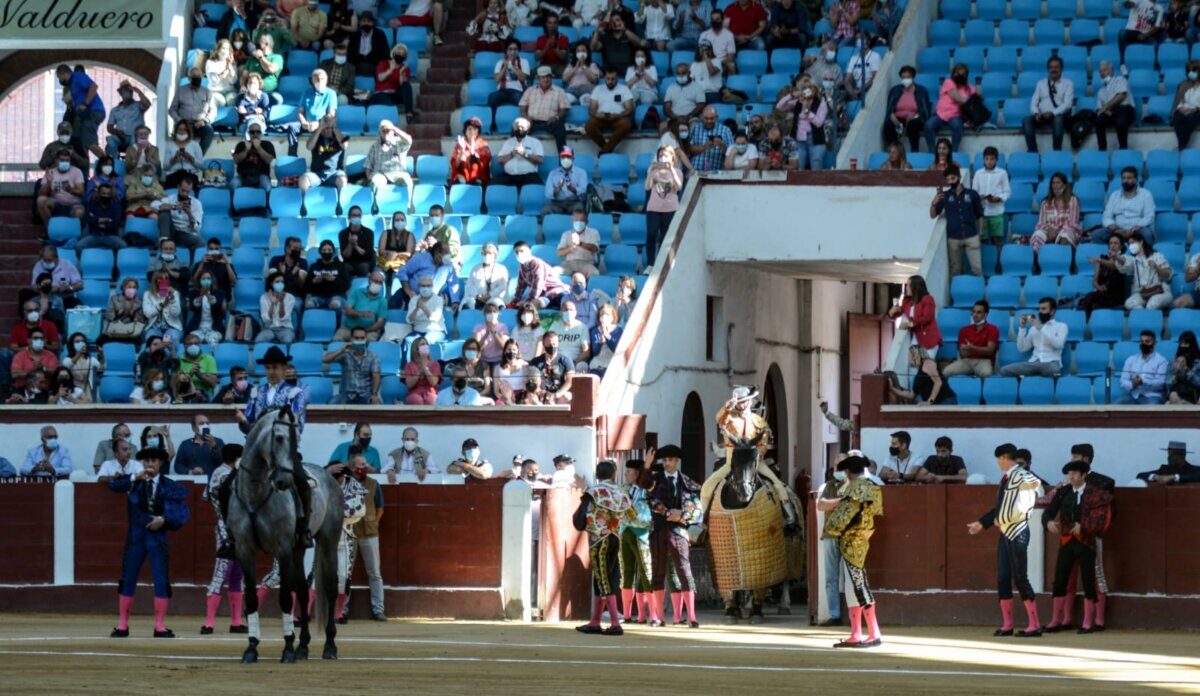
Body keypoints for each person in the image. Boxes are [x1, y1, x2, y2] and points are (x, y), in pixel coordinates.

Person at [218, 346, 311, 559]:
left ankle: (303, 529)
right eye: (268, 368)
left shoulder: (295, 393)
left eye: (275, 367)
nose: (271, 372)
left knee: (301, 481)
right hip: (256, 454)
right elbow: (249, 426)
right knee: (224, 488)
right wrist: (243, 422)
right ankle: (231, 536)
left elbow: (297, 426)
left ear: (284, 368)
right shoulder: (255, 392)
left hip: (283, 451)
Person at [108, 446, 189, 639]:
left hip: (157, 537)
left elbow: (182, 513)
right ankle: (122, 625)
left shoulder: (169, 485)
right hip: (136, 536)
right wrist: (134, 476)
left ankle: (159, 626)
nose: (150, 464)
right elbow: (113, 485)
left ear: (160, 463)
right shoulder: (134, 482)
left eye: (153, 460)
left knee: (160, 578)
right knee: (128, 577)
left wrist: (164, 520)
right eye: (147, 461)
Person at [967, 443, 1044, 637]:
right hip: (1006, 532)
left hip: (1018, 531)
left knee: (1020, 577)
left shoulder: (1021, 475)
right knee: (1003, 578)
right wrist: (982, 523)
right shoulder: (1008, 477)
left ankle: (1035, 625)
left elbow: (1038, 489)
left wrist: (1008, 517)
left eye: (999, 460)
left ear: (1003, 458)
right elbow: (1000, 507)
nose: (998, 463)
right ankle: (1007, 625)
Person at [1042, 459, 1114, 634]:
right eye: (1069, 473)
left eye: (1075, 473)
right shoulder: (1063, 492)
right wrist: (1048, 522)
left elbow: (1102, 517)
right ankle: (1055, 620)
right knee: (1060, 580)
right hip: (1067, 541)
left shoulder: (1095, 493)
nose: (1071, 476)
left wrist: (1084, 526)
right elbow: (1048, 512)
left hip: (1087, 541)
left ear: (1084, 475)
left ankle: (1087, 622)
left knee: (1088, 581)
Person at [823, 455, 883, 648]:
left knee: (859, 585)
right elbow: (876, 511)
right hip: (861, 538)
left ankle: (873, 633)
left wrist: (832, 528)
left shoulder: (855, 489)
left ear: (848, 471)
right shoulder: (872, 486)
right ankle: (857, 633)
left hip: (852, 540)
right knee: (856, 585)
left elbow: (844, 515)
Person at [573, 459, 633, 636]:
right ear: (614, 474)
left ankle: (615, 624)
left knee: (604, 580)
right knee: (603, 578)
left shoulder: (592, 493)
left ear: (597, 475)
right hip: (615, 538)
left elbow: (579, 519)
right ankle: (595, 622)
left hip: (599, 540)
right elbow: (632, 515)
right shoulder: (622, 492)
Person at [647, 445, 702, 628]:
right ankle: (660, 617)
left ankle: (692, 617)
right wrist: (647, 464)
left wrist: (682, 515)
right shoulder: (654, 480)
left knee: (684, 571)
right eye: (664, 460)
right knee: (658, 571)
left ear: (677, 461)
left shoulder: (687, 482)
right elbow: (647, 494)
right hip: (658, 530)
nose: (667, 463)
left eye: (670, 460)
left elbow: (698, 506)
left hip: (678, 530)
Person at [201, 443, 248, 635]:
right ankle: (209, 623)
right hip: (227, 529)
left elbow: (205, 496)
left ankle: (236, 622)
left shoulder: (218, 473)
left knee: (236, 575)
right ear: (237, 459)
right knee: (221, 573)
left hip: (234, 528)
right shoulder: (227, 475)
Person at [339, 453, 387, 621]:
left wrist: (374, 523)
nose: (364, 467)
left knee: (374, 572)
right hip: (348, 533)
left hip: (369, 533)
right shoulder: (343, 483)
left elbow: (380, 508)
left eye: (365, 464)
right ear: (352, 467)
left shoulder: (373, 484)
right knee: (345, 574)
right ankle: (342, 610)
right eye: (361, 464)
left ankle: (378, 609)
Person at [930, 165, 984, 276]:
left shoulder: (972, 194)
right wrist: (933, 203)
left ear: (959, 177)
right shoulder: (945, 196)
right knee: (955, 271)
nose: (950, 182)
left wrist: (979, 233)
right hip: (953, 238)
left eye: (953, 178)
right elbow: (933, 215)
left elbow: (980, 215)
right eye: (948, 179)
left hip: (971, 236)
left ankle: (980, 287)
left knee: (977, 269)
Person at [998, 298, 1068, 377]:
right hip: (1034, 363)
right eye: (1039, 309)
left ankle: (1032, 377)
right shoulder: (1033, 328)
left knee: (1054, 371)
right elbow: (1022, 348)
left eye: (1043, 309)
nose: (1040, 312)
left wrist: (1041, 328)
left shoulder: (1061, 326)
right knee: (1004, 370)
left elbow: (1058, 345)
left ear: (1052, 311)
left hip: (1051, 363)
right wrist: (1022, 328)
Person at [1106, 232, 1173, 310]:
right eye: (1129, 244)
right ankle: (1143, 313)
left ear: (1141, 242)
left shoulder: (1157, 256)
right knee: (1129, 304)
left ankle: (1147, 312)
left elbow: (1167, 275)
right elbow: (1125, 261)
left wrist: (1156, 267)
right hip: (1142, 293)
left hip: (1160, 292)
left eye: (1133, 243)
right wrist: (1116, 256)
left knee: (1152, 305)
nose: (1131, 246)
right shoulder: (1134, 260)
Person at [1022, 57, 1074, 153]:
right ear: (1048, 69)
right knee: (1026, 120)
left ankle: (1056, 152)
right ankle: (1033, 152)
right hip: (1042, 116)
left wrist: (1053, 113)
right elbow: (1033, 102)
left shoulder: (1068, 83)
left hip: (1059, 116)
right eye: (1051, 67)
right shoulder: (1041, 83)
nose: (1053, 70)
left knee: (1058, 120)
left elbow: (1068, 104)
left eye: (1056, 67)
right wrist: (1036, 113)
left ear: (1061, 68)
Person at [56, 64, 106, 160]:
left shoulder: (78, 76)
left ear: (63, 74)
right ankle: (102, 161)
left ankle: (107, 161)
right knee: (82, 141)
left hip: (93, 112)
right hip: (87, 115)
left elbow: (93, 86)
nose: (60, 80)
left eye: (59, 77)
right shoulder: (71, 84)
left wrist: (85, 104)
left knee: (89, 142)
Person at [645, 146, 684, 267]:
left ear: (672, 157)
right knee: (651, 233)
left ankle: (662, 264)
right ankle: (650, 264)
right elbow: (647, 187)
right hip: (654, 208)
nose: (663, 158)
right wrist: (651, 171)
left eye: (666, 155)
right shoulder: (654, 171)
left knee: (665, 237)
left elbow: (679, 187)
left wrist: (672, 170)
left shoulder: (677, 172)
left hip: (670, 209)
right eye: (661, 156)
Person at [776, 81, 828, 171]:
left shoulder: (821, 104)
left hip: (816, 140)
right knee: (798, 168)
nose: (808, 90)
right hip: (799, 140)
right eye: (805, 88)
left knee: (816, 168)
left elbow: (819, 123)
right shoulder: (797, 102)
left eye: (811, 88)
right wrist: (791, 95)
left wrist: (807, 110)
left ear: (815, 90)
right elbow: (779, 107)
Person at [1098, 166, 1157, 243]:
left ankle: (1143, 251)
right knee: (1097, 235)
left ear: (1136, 180)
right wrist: (1116, 229)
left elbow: (1149, 217)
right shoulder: (1114, 195)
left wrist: (1133, 229)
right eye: (1123, 178)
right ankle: (1111, 250)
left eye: (1129, 178)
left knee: (1147, 234)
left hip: (1137, 230)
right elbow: (1106, 216)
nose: (1125, 181)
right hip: (1117, 231)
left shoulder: (1146, 195)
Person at [324, 328, 383, 405]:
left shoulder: (373, 356)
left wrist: (374, 394)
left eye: (362, 338)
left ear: (366, 339)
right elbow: (325, 359)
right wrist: (341, 350)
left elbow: (376, 375)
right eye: (356, 338)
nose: (359, 340)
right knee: (332, 403)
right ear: (351, 339)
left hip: (365, 394)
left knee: (377, 403)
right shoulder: (345, 354)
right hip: (347, 394)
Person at [924, 64, 975, 153]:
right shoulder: (948, 82)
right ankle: (932, 152)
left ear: (966, 76)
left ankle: (953, 152)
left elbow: (978, 97)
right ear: (953, 74)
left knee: (957, 126)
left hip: (956, 116)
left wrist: (976, 94)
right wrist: (968, 101)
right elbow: (957, 97)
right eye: (957, 73)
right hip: (941, 115)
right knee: (929, 125)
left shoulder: (968, 87)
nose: (960, 76)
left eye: (962, 74)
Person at [584, 68, 635, 154]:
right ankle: (607, 149)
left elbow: (629, 109)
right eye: (608, 79)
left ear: (617, 78)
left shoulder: (624, 89)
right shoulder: (598, 89)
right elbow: (591, 108)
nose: (610, 81)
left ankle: (605, 150)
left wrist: (618, 115)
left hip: (618, 117)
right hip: (601, 118)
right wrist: (596, 114)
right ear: (604, 78)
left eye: (613, 79)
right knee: (589, 126)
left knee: (626, 124)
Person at [168, 66, 217, 155]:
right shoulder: (181, 91)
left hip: (200, 125)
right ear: (189, 78)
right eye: (194, 77)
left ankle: (198, 157)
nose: (197, 79)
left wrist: (205, 120)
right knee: (180, 136)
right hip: (184, 125)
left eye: (199, 76)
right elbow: (172, 110)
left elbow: (213, 110)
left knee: (209, 131)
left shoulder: (207, 92)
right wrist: (180, 121)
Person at [885, 274, 941, 351]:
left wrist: (908, 324)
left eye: (909, 285)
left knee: (925, 358)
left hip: (929, 337)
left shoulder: (928, 299)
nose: (906, 288)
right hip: (917, 337)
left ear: (916, 287)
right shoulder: (908, 301)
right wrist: (891, 313)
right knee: (915, 357)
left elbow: (926, 318)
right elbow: (900, 312)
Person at [944, 300, 999, 377]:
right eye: (973, 312)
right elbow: (962, 353)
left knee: (986, 373)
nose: (975, 315)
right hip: (967, 361)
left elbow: (990, 350)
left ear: (986, 314)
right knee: (946, 372)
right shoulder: (964, 330)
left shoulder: (993, 329)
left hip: (984, 361)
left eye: (979, 312)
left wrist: (972, 348)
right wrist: (966, 350)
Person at [883, 65, 930, 153]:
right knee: (888, 125)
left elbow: (925, 110)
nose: (905, 79)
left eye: (908, 77)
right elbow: (890, 107)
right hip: (898, 118)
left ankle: (914, 151)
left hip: (915, 118)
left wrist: (915, 116)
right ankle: (895, 150)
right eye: (903, 77)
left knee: (913, 125)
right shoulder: (895, 90)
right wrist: (892, 116)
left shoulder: (922, 91)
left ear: (913, 77)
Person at [1090, 61, 1135, 152]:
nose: (1102, 73)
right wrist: (1105, 110)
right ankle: (1102, 150)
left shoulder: (1120, 80)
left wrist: (1106, 108)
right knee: (1099, 121)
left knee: (1120, 122)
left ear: (1112, 71)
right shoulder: (1101, 91)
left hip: (1125, 110)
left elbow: (1121, 96)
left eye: (1105, 70)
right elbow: (1099, 109)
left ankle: (1123, 149)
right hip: (1111, 112)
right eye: (1100, 71)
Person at [364, 121, 414, 201]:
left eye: (388, 131)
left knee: (407, 182)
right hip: (380, 174)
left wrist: (394, 128)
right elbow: (368, 165)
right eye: (383, 131)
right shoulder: (374, 146)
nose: (386, 133)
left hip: (398, 173)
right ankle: (376, 205)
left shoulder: (399, 143)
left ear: (393, 132)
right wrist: (369, 179)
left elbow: (409, 141)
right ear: (380, 132)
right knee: (375, 182)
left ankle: (408, 205)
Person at [889, 345, 957, 405]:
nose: (908, 358)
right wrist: (892, 389)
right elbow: (911, 395)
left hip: (945, 401)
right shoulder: (918, 375)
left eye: (909, 355)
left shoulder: (927, 363)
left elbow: (938, 382)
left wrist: (930, 401)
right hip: (935, 404)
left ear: (915, 355)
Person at [972, 146, 1010, 250]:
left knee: (997, 239)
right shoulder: (978, 173)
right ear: (983, 159)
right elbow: (974, 192)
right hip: (981, 213)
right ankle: (987, 259)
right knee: (983, 239)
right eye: (987, 159)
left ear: (996, 160)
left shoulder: (1002, 173)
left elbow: (1007, 192)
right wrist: (979, 197)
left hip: (997, 212)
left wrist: (998, 198)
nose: (989, 162)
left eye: (992, 159)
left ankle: (999, 259)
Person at [1032, 173, 1081, 252]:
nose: (1055, 186)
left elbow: (1072, 223)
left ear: (1064, 185)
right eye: (1053, 183)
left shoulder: (1072, 200)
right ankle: (1037, 258)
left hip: (1067, 230)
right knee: (1037, 236)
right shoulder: (1045, 202)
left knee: (1064, 237)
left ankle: (1061, 258)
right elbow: (1040, 224)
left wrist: (1057, 232)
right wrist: (1049, 230)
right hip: (1049, 231)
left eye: (1058, 183)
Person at [1116, 330, 1169, 404]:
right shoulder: (1130, 360)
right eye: (1141, 341)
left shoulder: (1161, 361)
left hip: (1152, 396)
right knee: (1118, 404)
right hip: (1134, 395)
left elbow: (1160, 384)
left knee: (1153, 406)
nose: (1144, 344)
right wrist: (1133, 384)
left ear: (1154, 343)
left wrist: (1143, 382)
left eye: (1147, 341)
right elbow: (1123, 381)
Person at [513, 240, 568, 308]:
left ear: (529, 251)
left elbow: (537, 286)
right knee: (522, 306)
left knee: (530, 305)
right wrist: (515, 300)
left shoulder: (537, 264)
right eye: (516, 252)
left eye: (522, 251)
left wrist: (527, 301)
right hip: (544, 295)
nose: (519, 254)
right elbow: (520, 286)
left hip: (556, 291)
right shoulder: (522, 266)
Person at [36, 149, 85, 225]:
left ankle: (72, 231)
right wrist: (49, 182)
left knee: (79, 212)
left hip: (73, 204)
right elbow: (41, 193)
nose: (65, 162)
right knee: (41, 200)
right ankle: (50, 229)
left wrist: (70, 189)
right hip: (56, 203)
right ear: (56, 161)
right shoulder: (51, 172)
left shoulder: (77, 172)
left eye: (67, 160)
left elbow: (81, 191)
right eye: (62, 160)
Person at [105, 80, 152, 159]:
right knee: (110, 140)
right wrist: (117, 132)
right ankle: (115, 162)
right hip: (120, 138)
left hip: (135, 137)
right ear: (121, 93)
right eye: (125, 90)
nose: (127, 92)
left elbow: (147, 104)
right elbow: (109, 127)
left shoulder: (138, 106)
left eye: (129, 90)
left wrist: (137, 90)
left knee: (134, 140)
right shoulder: (115, 110)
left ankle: (130, 162)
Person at [157, 177, 204, 252]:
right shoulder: (170, 198)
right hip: (170, 231)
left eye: (187, 192)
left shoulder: (196, 203)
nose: (185, 194)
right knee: (164, 212)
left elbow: (197, 228)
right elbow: (158, 206)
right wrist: (175, 207)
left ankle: (191, 260)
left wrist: (189, 214)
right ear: (178, 187)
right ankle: (164, 241)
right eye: (183, 190)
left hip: (184, 233)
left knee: (200, 242)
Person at [494, 118, 545, 187]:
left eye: (522, 127)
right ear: (514, 129)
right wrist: (511, 154)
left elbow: (540, 160)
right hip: (509, 176)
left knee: (536, 187)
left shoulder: (535, 142)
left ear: (528, 130)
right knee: (493, 185)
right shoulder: (507, 143)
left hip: (528, 176)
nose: (520, 129)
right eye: (517, 127)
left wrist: (525, 154)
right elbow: (499, 160)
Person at [530, 331, 575, 403]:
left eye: (554, 344)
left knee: (567, 396)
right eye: (549, 345)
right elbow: (531, 381)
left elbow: (570, 381)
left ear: (558, 343)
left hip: (559, 394)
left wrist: (556, 395)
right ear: (543, 345)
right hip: (541, 394)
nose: (552, 347)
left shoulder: (565, 360)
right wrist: (542, 393)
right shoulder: (535, 362)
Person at [688, 106, 735, 173]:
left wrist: (721, 145)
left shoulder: (725, 130)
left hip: (715, 173)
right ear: (701, 117)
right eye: (706, 118)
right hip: (694, 170)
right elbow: (688, 149)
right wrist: (704, 147)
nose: (709, 121)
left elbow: (732, 153)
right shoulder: (694, 129)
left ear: (716, 117)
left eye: (712, 118)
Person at [374, 44, 416, 120]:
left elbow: (402, 85)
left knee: (407, 85)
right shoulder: (384, 63)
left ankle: (409, 113)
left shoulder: (405, 69)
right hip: (382, 93)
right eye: (399, 53)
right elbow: (380, 78)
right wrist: (390, 70)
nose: (400, 55)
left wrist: (401, 73)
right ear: (393, 53)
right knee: (387, 102)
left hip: (394, 94)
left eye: (403, 54)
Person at [80, 181, 126, 250]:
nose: (106, 196)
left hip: (110, 235)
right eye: (103, 193)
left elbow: (115, 223)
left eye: (108, 194)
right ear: (98, 194)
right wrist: (106, 220)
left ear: (111, 195)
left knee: (124, 246)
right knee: (79, 246)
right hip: (95, 235)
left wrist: (98, 222)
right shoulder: (92, 205)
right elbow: (89, 219)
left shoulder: (116, 206)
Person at [230, 122, 276, 191]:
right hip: (243, 175)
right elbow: (236, 160)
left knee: (267, 186)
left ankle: (266, 198)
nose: (255, 134)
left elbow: (268, 160)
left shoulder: (267, 144)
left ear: (261, 133)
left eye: (258, 132)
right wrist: (246, 150)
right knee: (233, 184)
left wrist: (258, 148)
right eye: (252, 132)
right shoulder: (241, 144)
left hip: (261, 175)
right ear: (249, 133)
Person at [463, 243, 510, 309]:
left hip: (495, 298)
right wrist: (477, 295)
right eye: (484, 253)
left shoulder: (502, 269)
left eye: (490, 253)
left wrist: (490, 295)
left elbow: (502, 287)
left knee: (496, 305)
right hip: (477, 298)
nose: (487, 256)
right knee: (467, 304)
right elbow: (469, 285)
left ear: (495, 255)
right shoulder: (475, 268)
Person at [243, 32, 286, 103]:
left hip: (269, 93)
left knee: (277, 99)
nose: (257, 45)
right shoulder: (252, 59)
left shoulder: (277, 57)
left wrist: (261, 58)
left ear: (267, 44)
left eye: (260, 42)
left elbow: (271, 69)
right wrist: (242, 86)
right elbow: (244, 76)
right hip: (251, 92)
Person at [544, 148, 589, 214]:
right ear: (560, 159)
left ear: (573, 158)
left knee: (579, 211)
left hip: (574, 202)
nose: (565, 159)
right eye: (563, 157)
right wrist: (557, 190)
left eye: (568, 157)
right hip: (557, 203)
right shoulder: (553, 173)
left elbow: (583, 191)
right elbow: (547, 193)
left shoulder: (581, 173)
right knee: (546, 211)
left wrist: (573, 189)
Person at [1118, 0, 1164, 65]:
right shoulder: (1140, 0)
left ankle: (1156, 67)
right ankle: (1122, 63)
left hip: (1145, 35)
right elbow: (1131, 4)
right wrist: (1128, 4)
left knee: (1155, 45)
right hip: (1132, 32)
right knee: (1122, 33)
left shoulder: (1159, 8)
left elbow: (1157, 27)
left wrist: (1145, 35)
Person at [450, 117, 492, 186]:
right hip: (462, 175)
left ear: (478, 132)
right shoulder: (460, 144)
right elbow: (455, 165)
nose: (472, 132)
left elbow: (484, 164)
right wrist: (461, 150)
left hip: (479, 176)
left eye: (475, 129)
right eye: (469, 129)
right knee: (459, 181)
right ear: (465, 131)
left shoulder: (483, 145)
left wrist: (472, 147)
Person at [177, 334, 219, 400]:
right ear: (184, 345)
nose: (193, 346)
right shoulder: (179, 361)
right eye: (190, 344)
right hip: (186, 395)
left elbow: (213, 384)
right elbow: (176, 385)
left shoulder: (209, 359)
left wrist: (200, 375)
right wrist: (189, 375)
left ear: (200, 344)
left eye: (196, 343)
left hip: (205, 395)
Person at [338, 206, 377, 277]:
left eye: (358, 215)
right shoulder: (343, 233)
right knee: (344, 268)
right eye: (354, 215)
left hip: (365, 261)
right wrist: (350, 243)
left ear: (361, 217)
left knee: (363, 267)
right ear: (349, 217)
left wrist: (356, 246)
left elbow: (369, 254)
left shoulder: (369, 233)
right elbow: (345, 256)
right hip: (349, 262)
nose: (356, 217)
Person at [402, 336, 442, 405]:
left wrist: (425, 369)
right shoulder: (409, 365)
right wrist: (419, 372)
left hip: (431, 392)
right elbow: (409, 385)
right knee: (417, 400)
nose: (425, 346)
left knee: (431, 400)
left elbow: (434, 383)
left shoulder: (435, 364)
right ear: (416, 349)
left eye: (426, 344)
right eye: (422, 344)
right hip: (414, 393)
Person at [349, 11, 390, 76]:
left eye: (369, 21)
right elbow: (351, 54)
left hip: (374, 65)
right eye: (364, 21)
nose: (366, 23)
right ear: (360, 23)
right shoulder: (355, 35)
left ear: (373, 23)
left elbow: (384, 53)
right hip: (357, 65)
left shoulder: (380, 34)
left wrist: (367, 58)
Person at [586, 304, 623, 377]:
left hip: (612, 363)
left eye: (607, 314)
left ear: (612, 317)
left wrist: (607, 335)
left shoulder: (618, 330)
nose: (604, 316)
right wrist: (600, 343)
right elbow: (595, 352)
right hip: (598, 363)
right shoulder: (594, 331)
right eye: (602, 314)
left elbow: (616, 349)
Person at [1171, 61, 1200, 149]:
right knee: (1177, 118)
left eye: (1194, 70)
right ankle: (1182, 145)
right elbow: (1178, 101)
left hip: (1197, 110)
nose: (1191, 73)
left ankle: (1181, 146)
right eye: (1189, 70)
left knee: (1191, 118)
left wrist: (1194, 109)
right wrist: (1181, 109)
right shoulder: (1183, 84)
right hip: (1184, 109)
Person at [492, 338, 529, 403]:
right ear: (505, 351)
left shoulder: (524, 365)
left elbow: (526, 386)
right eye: (509, 349)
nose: (512, 352)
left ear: (517, 351)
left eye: (514, 350)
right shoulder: (497, 368)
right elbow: (496, 392)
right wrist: (506, 399)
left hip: (521, 397)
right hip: (504, 397)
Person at [319, 42, 356, 106]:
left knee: (343, 99)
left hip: (339, 93)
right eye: (339, 54)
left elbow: (350, 87)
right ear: (334, 54)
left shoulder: (351, 68)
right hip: (325, 90)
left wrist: (337, 90)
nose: (341, 56)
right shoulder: (324, 64)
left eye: (343, 54)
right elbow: (317, 78)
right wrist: (327, 88)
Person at [1167, 332, 1200, 403]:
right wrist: (1175, 374)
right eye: (1181, 343)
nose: (1183, 346)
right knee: (1173, 395)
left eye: (1186, 343)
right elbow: (1168, 384)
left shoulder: (1198, 362)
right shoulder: (1174, 361)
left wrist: (1187, 370)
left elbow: (1198, 383)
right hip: (1178, 391)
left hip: (1194, 391)